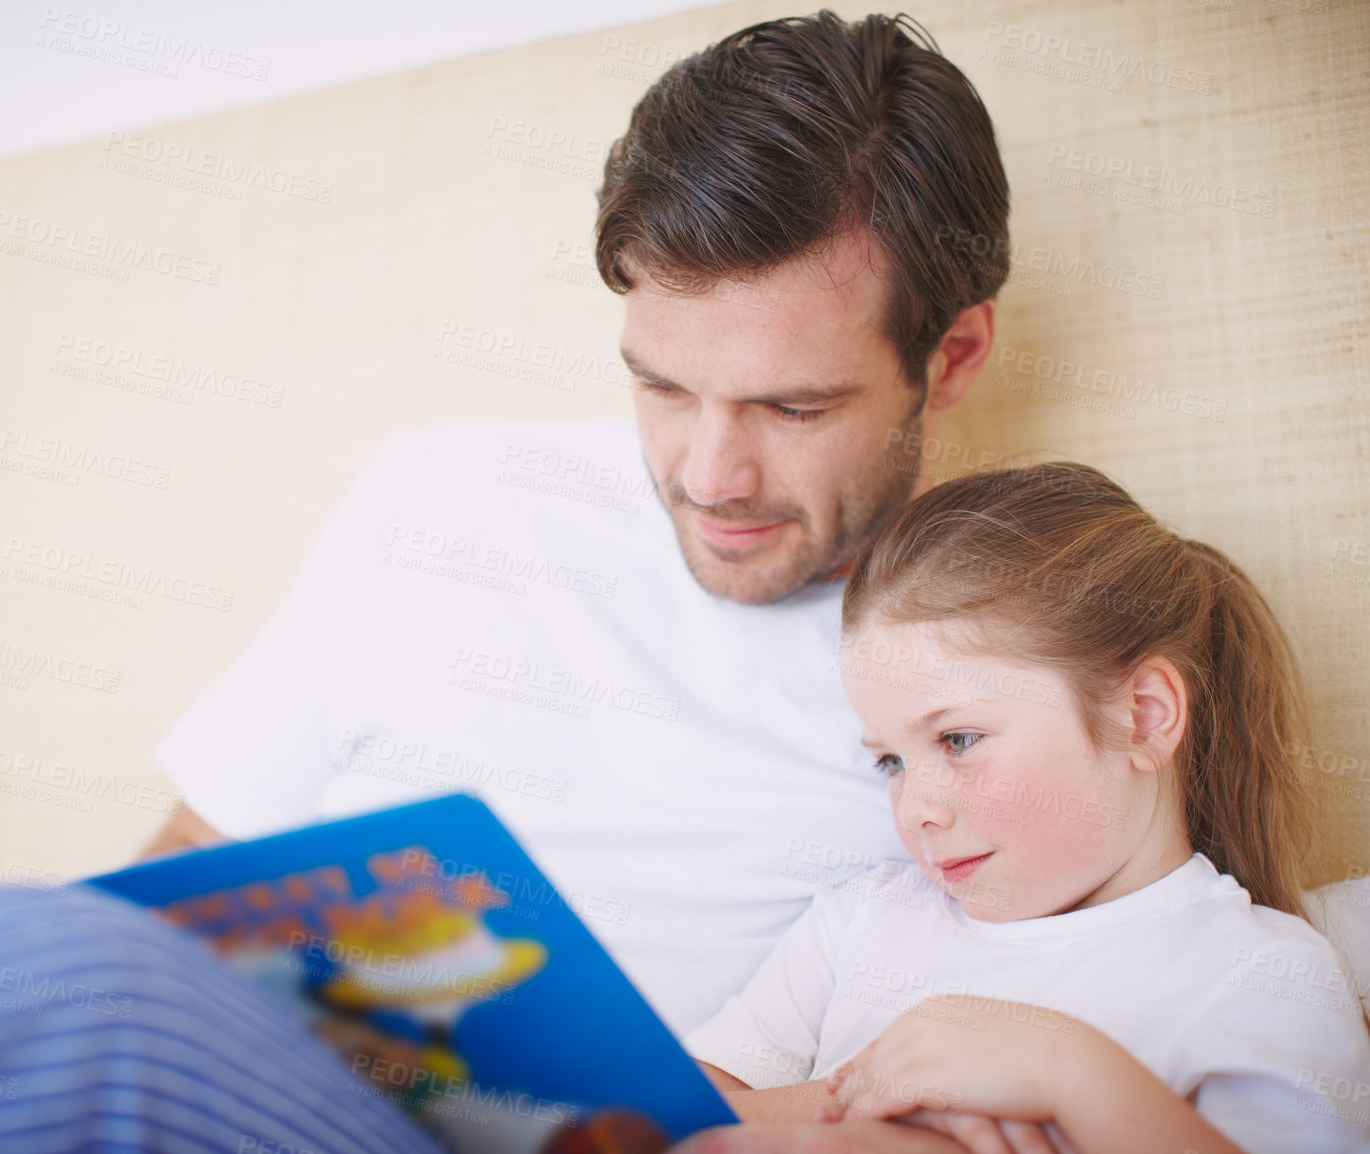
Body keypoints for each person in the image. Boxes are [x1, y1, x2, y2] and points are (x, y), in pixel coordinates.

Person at [150, 9, 1007, 1046]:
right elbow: (189, 861)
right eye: (662, 386)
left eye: (793, 407)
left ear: (951, 357)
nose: (708, 476)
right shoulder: (439, 496)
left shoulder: (1010, 667)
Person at [682, 464, 1370, 1152]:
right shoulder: (860, 922)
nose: (917, 809)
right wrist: (878, 1105)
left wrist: (1066, 1071)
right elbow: (670, 1115)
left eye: (958, 739)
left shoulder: (1265, 979)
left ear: (1144, 717)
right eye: (890, 761)